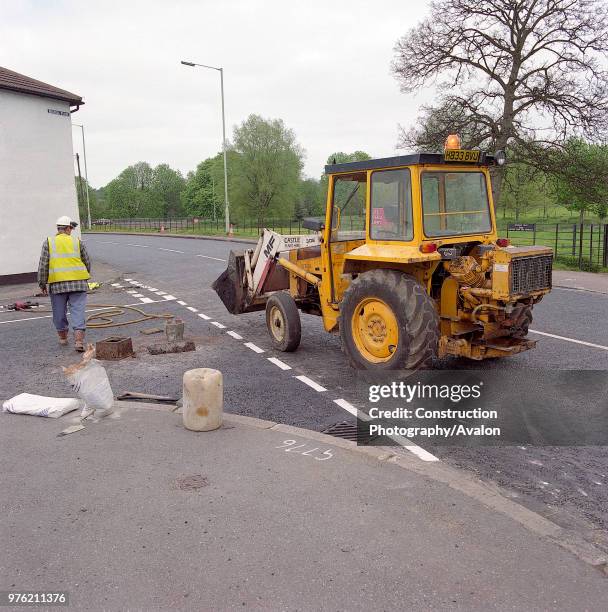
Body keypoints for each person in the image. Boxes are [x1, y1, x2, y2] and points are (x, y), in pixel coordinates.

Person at [38, 216, 91, 351]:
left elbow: (43, 264)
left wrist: (42, 283)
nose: (71, 231)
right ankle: (79, 341)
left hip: (57, 285)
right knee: (78, 311)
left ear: (58, 228)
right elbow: (87, 262)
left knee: (59, 312)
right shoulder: (77, 242)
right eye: (71, 229)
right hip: (78, 283)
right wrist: (85, 276)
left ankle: (63, 338)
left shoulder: (49, 242)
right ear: (68, 228)